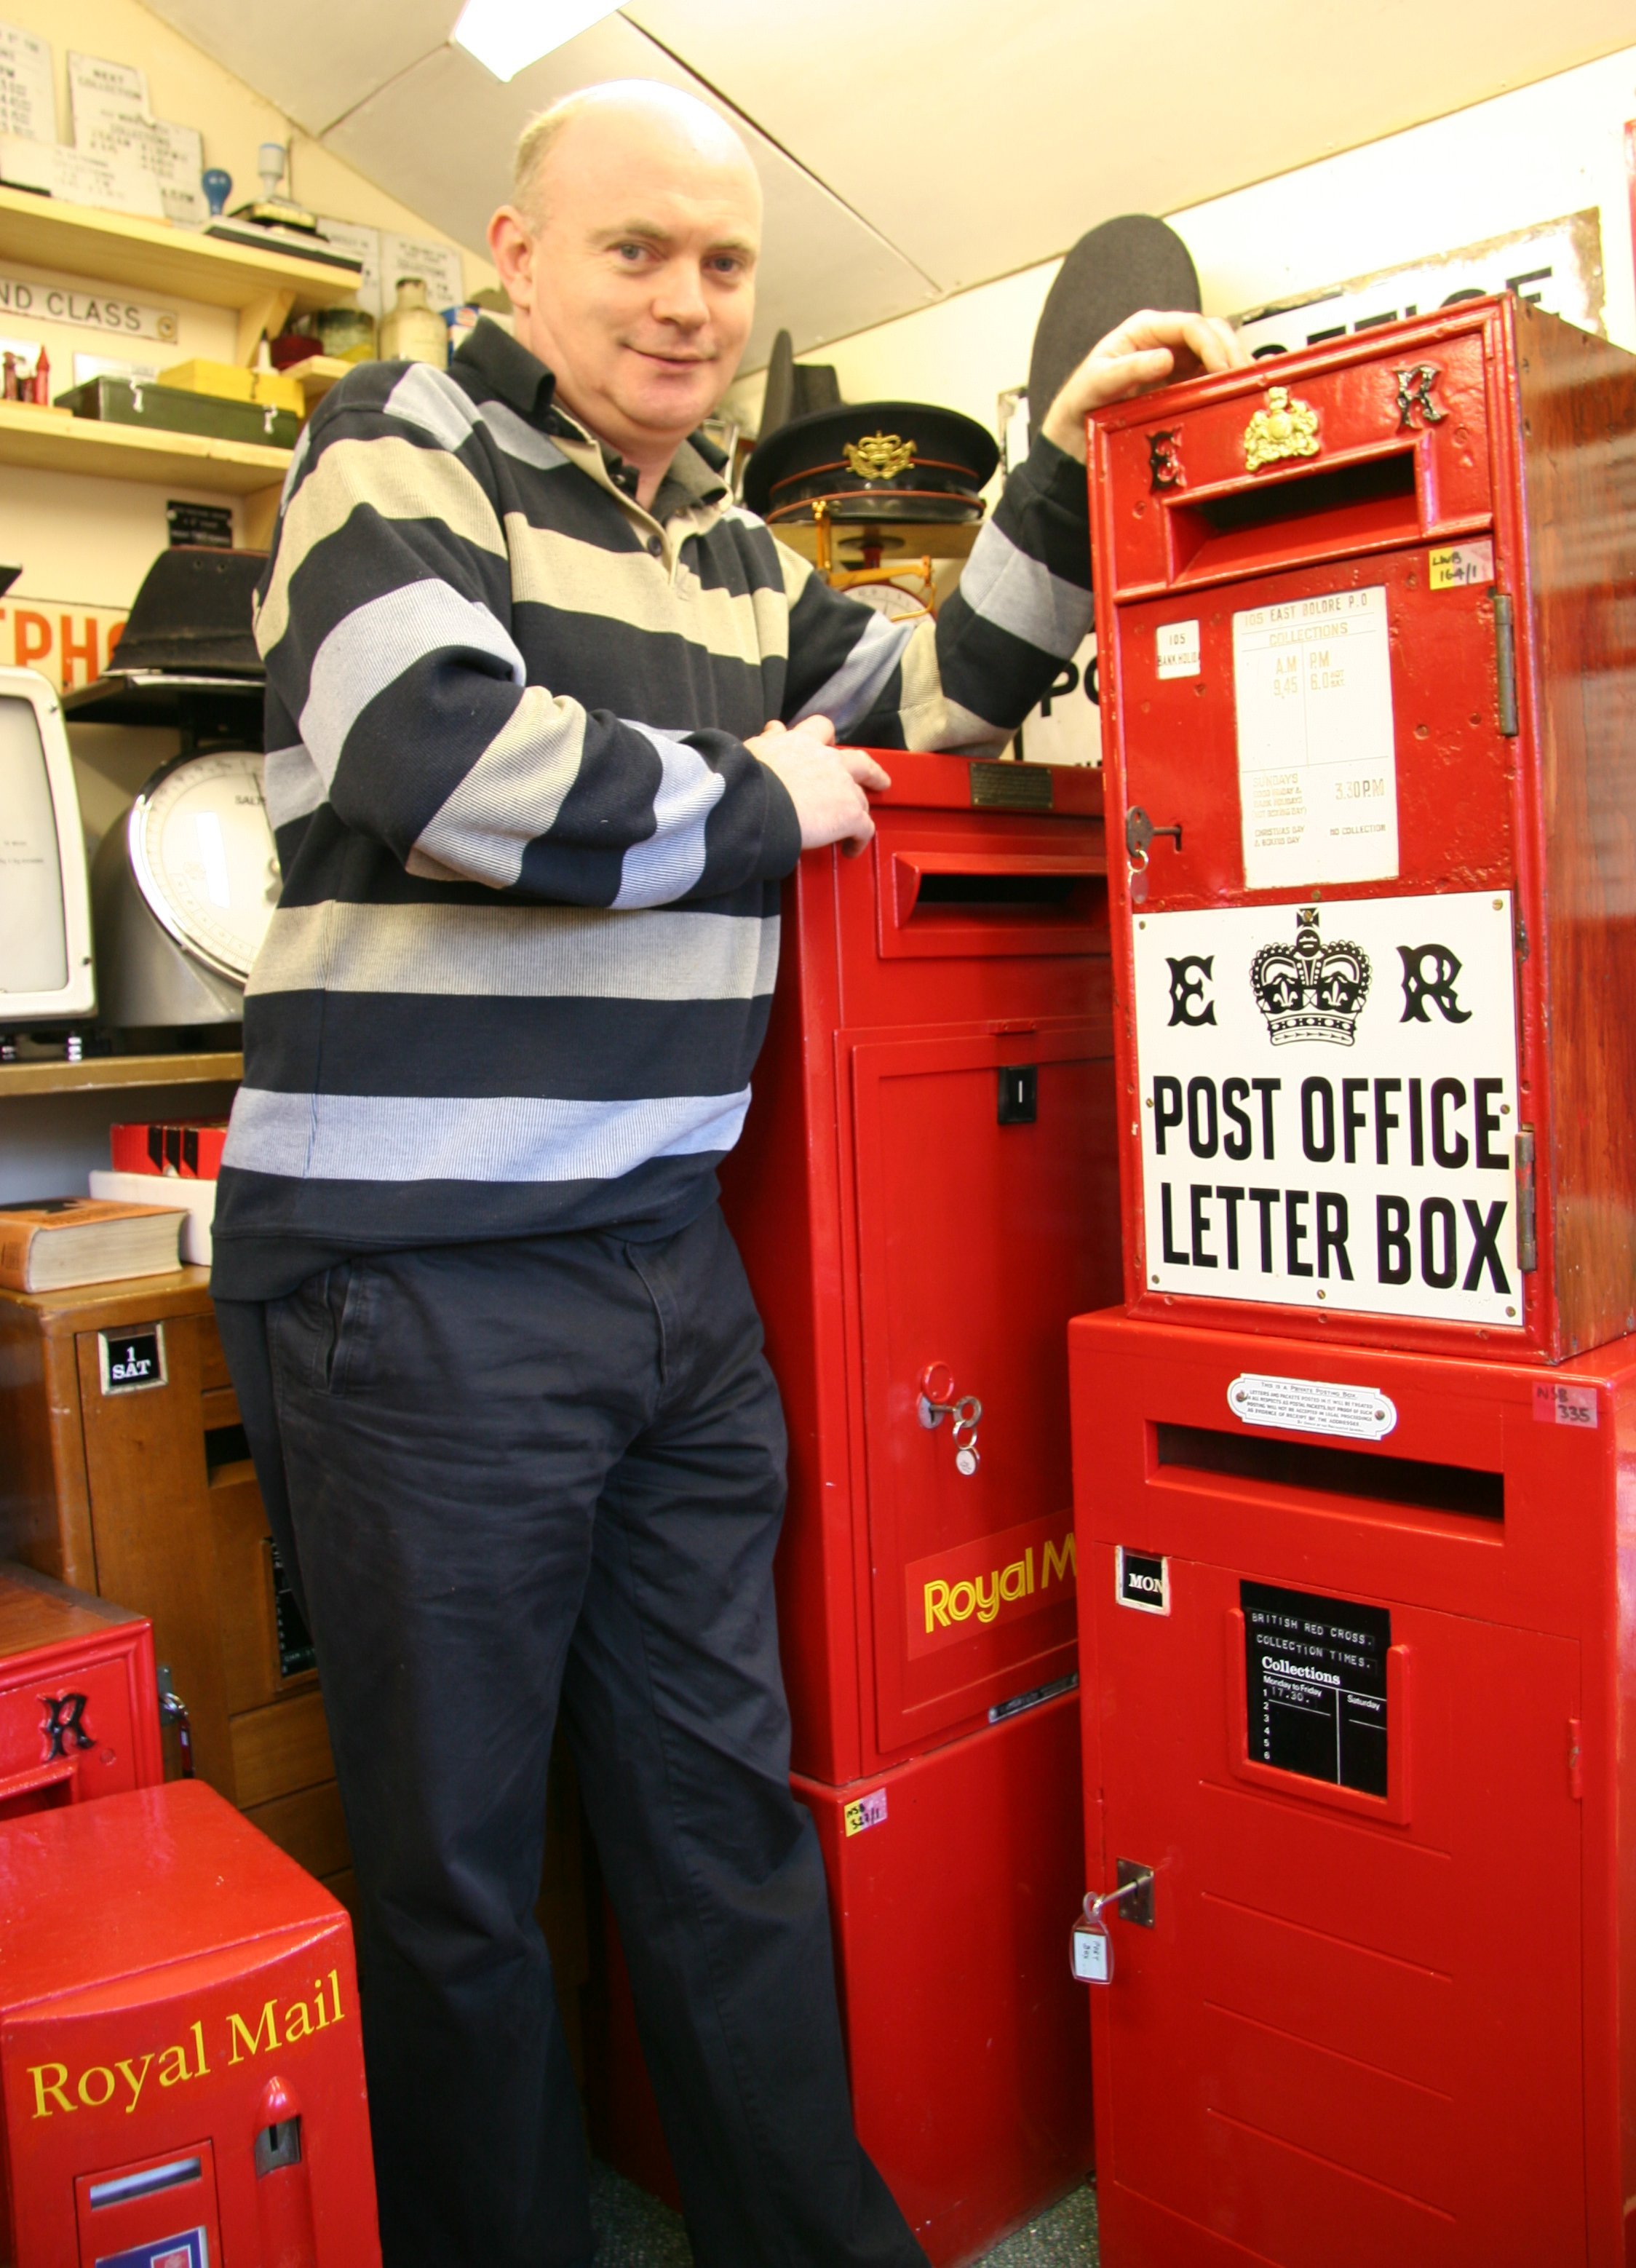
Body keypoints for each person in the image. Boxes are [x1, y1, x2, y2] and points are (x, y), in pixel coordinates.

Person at [211, 76, 1247, 2268]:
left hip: (662, 1263)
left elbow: (938, 713)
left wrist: (1064, 452)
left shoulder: (732, 552)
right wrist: (774, 792)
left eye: (724, 264)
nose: (685, 302)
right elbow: (439, 763)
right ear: (516, 253)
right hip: (420, 1279)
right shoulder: (393, 445)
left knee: (718, 1818)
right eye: (635, 251)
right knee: (461, 1884)